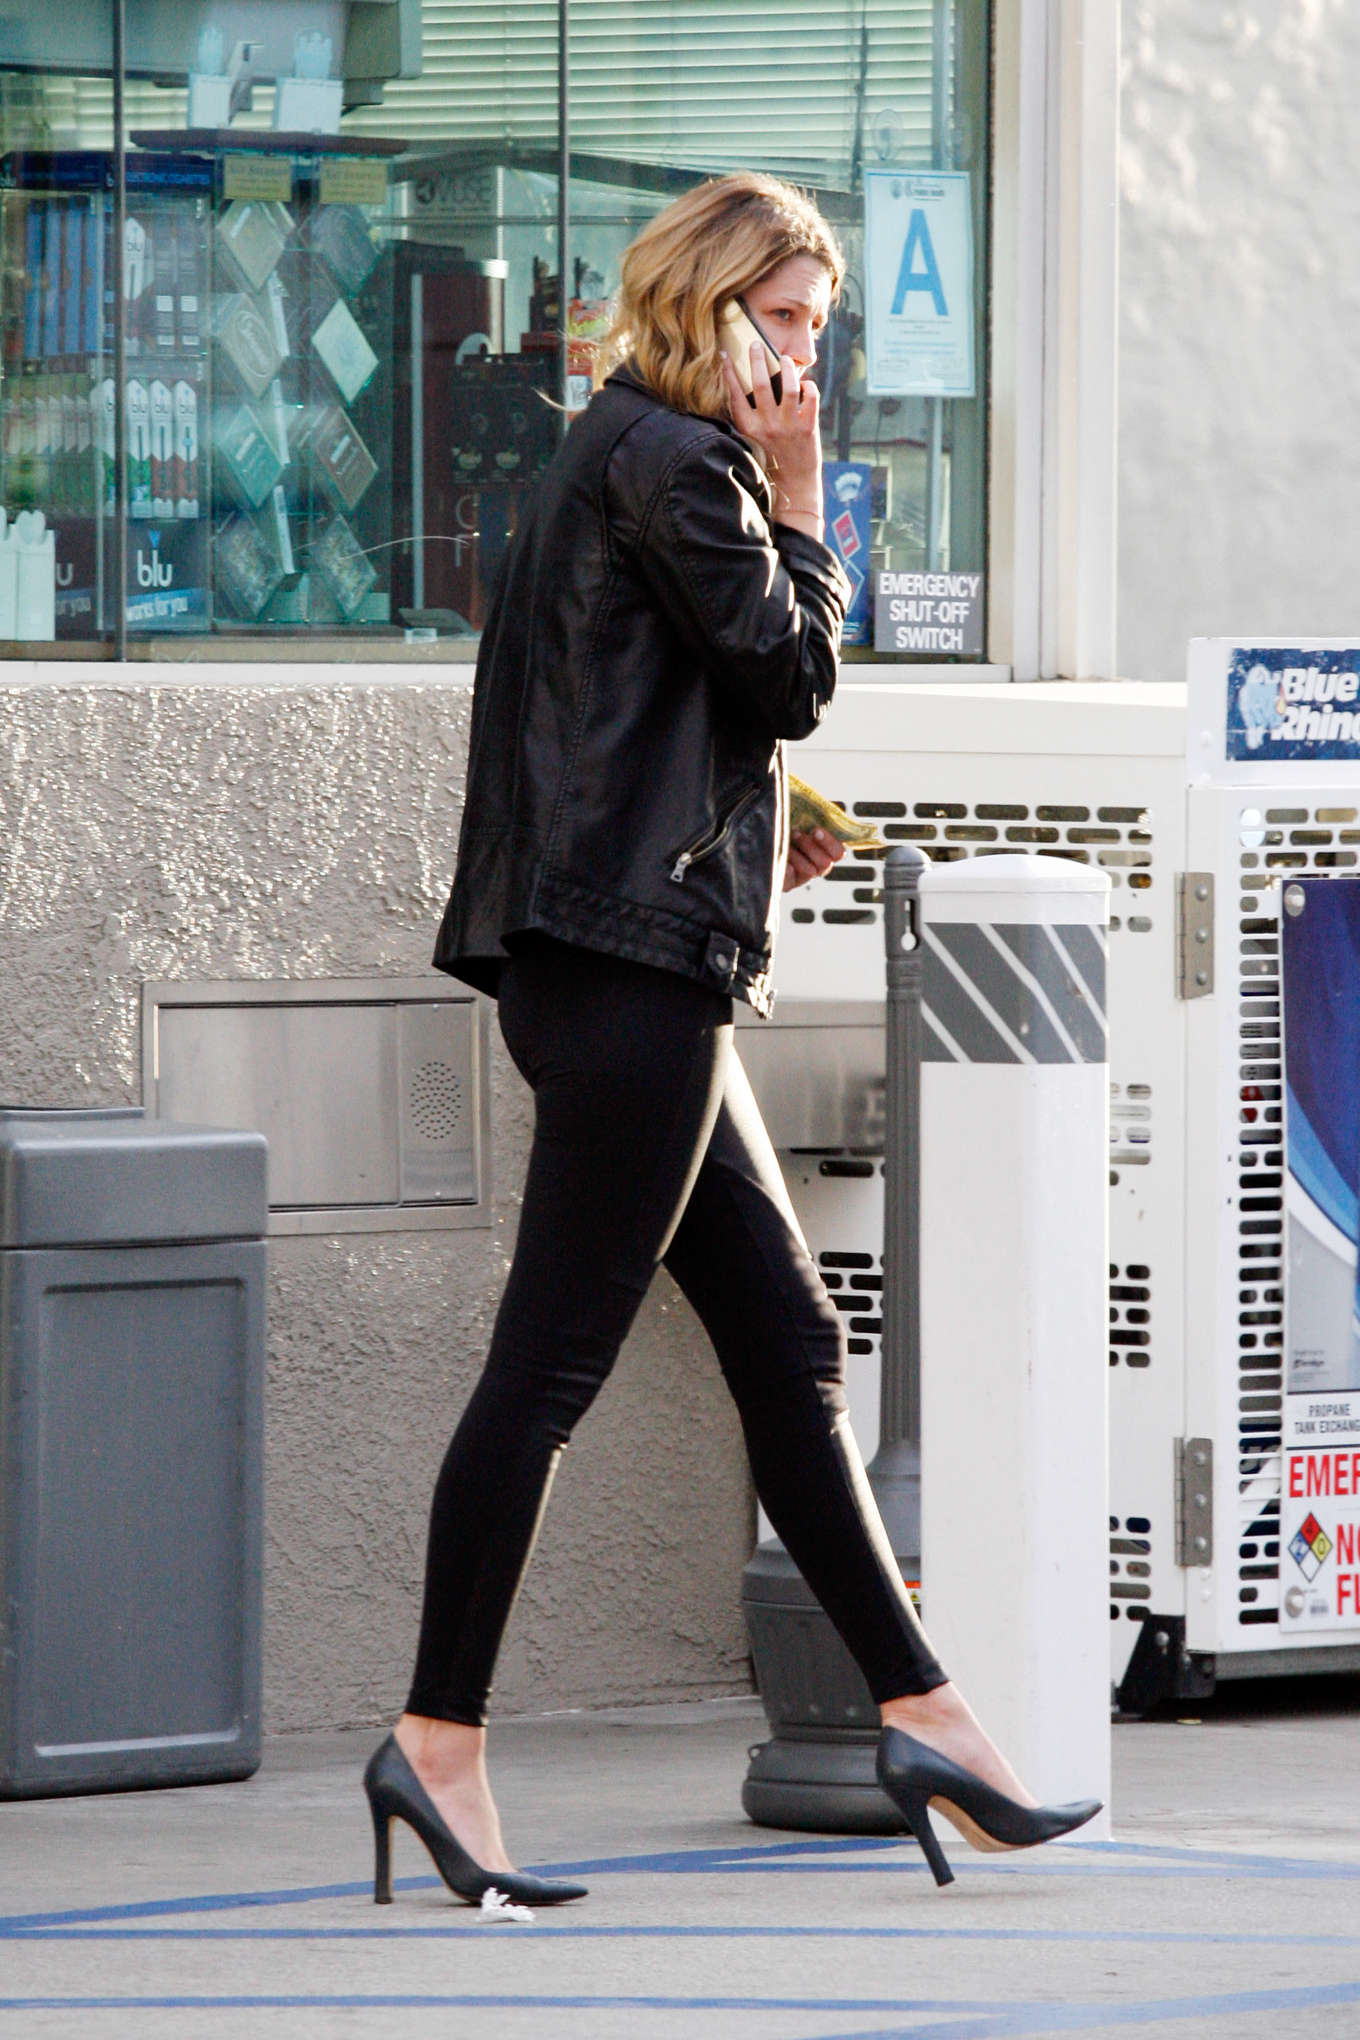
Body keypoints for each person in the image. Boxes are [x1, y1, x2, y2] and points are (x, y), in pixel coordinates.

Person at [363, 171, 1100, 1900]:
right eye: (788, 324)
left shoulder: (596, 452)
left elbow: (630, 704)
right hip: (632, 978)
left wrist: (778, 808)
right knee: (545, 1374)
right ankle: (437, 1743)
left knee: (789, 1340)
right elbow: (787, 673)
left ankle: (928, 1714)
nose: (806, 362)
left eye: (821, 334)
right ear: (712, 306)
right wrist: (797, 488)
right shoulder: (693, 464)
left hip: (608, 956)